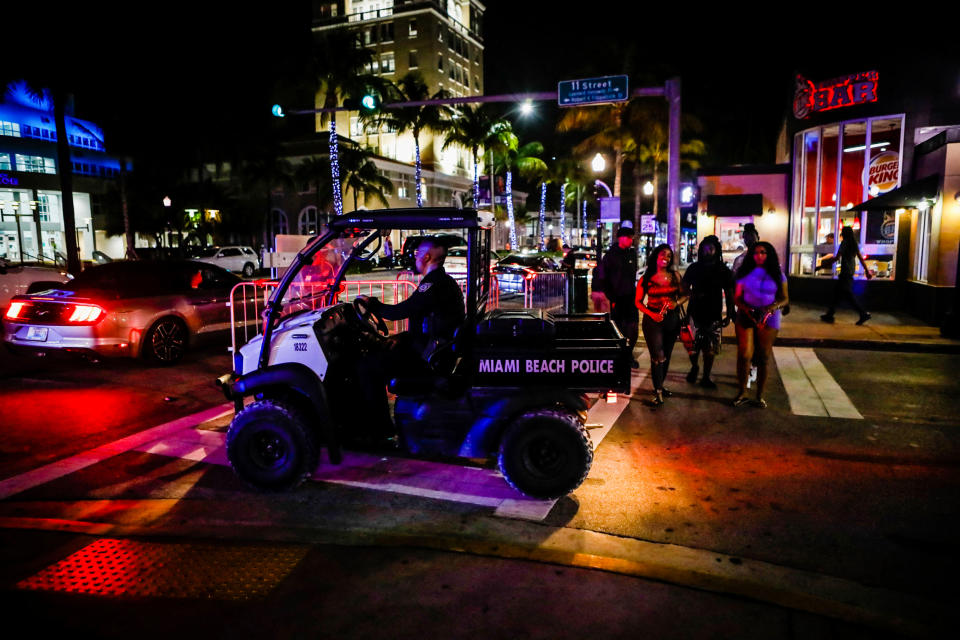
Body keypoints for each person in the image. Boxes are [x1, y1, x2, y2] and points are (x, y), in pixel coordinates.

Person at [355, 239, 465, 440]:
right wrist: (402, 337)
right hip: (430, 348)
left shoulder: (434, 284)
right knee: (377, 356)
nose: (414, 257)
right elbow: (427, 323)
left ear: (427, 257)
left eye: (417, 254)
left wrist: (372, 303)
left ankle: (380, 431)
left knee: (366, 367)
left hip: (428, 357)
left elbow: (402, 311)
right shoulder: (440, 282)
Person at [732, 241, 789, 408]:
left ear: (769, 254)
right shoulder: (744, 273)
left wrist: (772, 307)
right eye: (756, 253)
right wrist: (745, 309)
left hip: (769, 316)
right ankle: (742, 392)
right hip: (746, 314)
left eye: (763, 252)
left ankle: (759, 395)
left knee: (763, 356)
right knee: (744, 354)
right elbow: (736, 297)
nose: (759, 256)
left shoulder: (778, 275)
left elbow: (785, 298)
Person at [635, 244, 687, 406]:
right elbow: (637, 301)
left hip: (672, 319)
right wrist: (651, 314)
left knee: (666, 355)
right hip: (652, 320)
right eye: (663, 254)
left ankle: (660, 386)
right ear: (656, 256)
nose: (666, 258)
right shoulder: (646, 277)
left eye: (669, 256)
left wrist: (676, 303)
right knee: (658, 356)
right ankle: (658, 392)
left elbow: (686, 294)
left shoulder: (675, 276)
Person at [682, 235, 735, 389]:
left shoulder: (723, 270)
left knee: (710, 348)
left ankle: (706, 376)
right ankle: (694, 367)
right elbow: (683, 287)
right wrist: (691, 295)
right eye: (704, 249)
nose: (707, 251)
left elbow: (730, 292)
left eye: (710, 249)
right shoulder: (694, 268)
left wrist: (730, 313)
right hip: (694, 311)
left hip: (714, 313)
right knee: (692, 346)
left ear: (716, 250)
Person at [600, 221, 640, 368]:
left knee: (633, 328)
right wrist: (612, 297)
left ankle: (628, 353)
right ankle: (621, 356)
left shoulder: (632, 253)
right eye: (629, 238)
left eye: (632, 238)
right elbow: (603, 277)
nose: (631, 240)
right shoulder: (610, 256)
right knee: (619, 329)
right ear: (621, 238)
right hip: (617, 297)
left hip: (631, 297)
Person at [820, 225, 873, 325]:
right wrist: (866, 270)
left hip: (845, 272)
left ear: (844, 234)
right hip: (850, 271)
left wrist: (823, 265)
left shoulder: (844, 243)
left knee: (847, 295)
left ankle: (863, 313)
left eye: (842, 233)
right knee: (838, 293)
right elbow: (861, 258)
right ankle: (830, 314)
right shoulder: (854, 243)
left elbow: (836, 258)